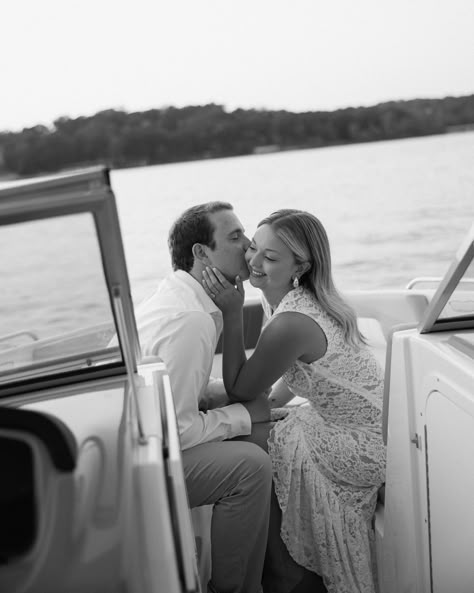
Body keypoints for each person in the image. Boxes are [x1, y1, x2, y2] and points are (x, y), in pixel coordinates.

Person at [201, 209, 386, 593]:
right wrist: (265, 406)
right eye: (254, 248)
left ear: (300, 266)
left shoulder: (292, 320)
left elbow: (241, 390)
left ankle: (275, 574)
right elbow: (290, 380)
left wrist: (232, 314)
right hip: (348, 421)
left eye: (270, 258)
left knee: (245, 447)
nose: (254, 261)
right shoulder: (286, 298)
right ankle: (276, 567)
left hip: (362, 441)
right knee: (259, 430)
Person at [135, 202, 272, 593]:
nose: (248, 246)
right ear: (200, 252)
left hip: (148, 436)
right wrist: (243, 416)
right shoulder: (189, 320)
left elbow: (181, 389)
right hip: (143, 463)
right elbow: (176, 432)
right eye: (235, 237)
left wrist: (230, 399)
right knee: (250, 466)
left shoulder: (181, 299)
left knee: (264, 438)